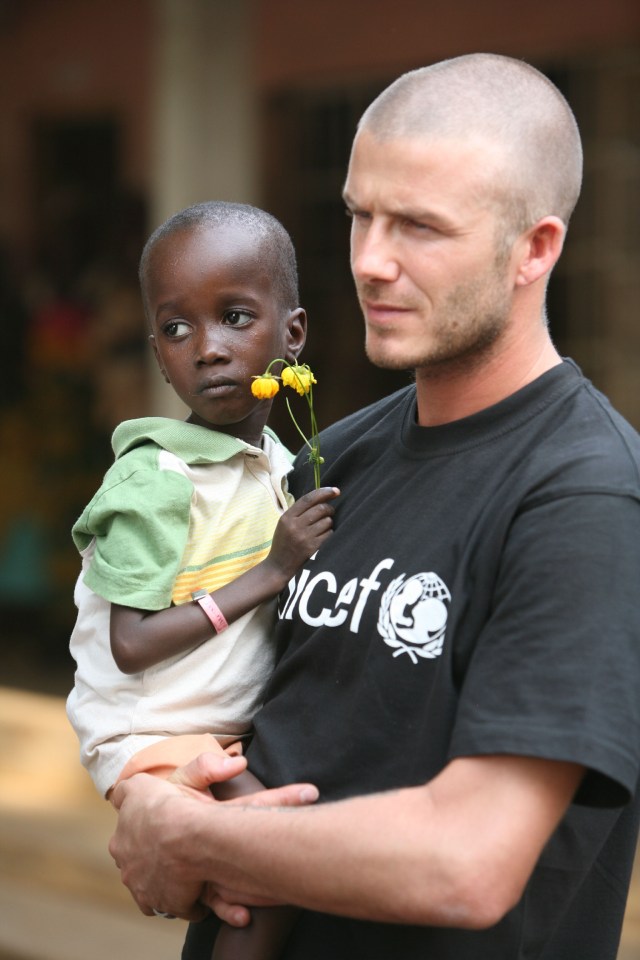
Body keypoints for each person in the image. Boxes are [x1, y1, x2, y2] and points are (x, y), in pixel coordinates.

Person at [108, 54, 640, 960]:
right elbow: (208, 697)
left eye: (421, 227)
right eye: (360, 215)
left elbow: (467, 862)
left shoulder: (586, 497)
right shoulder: (330, 458)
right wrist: (146, 790)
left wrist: (193, 838)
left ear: (536, 248)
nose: (369, 262)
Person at [66, 200, 338, 959]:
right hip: (149, 729)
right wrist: (272, 570)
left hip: (217, 727)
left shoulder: (282, 465)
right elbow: (131, 642)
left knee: (241, 886)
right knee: (271, 859)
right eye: (178, 329)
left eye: (236, 318)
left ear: (293, 335)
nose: (209, 349)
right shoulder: (157, 478)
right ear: (157, 351)